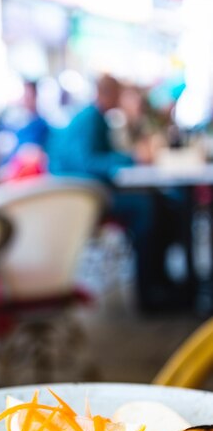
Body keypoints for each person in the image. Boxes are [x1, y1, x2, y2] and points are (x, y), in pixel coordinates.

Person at [49, 74, 176, 312]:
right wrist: (131, 158)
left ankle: (161, 283)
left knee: (158, 201)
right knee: (146, 206)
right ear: (107, 94)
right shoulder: (90, 119)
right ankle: (148, 293)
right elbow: (88, 163)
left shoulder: (97, 118)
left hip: (87, 191)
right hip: (81, 197)